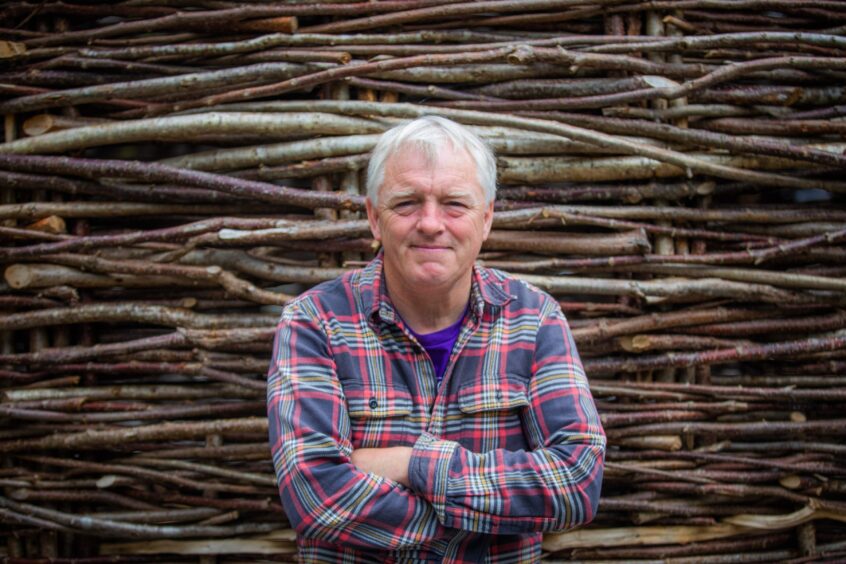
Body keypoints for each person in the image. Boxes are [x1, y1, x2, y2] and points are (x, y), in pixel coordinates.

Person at [267, 115, 605, 563]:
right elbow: (315, 497)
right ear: (373, 217)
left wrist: (412, 464)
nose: (430, 223)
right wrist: (482, 522)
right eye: (407, 203)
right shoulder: (315, 323)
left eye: (454, 204)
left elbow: (578, 483)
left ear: (485, 220)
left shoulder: (534, 320)